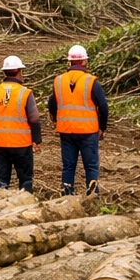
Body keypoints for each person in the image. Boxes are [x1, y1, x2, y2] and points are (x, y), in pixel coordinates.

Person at [49, 44, 107, 196]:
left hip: (66, 130)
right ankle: (93, 197)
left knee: (68, 166)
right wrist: (102, 127)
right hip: (88, 131)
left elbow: (51, 104)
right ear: (84, 62)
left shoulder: (59, 81)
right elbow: (103, 106)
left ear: (69, 62)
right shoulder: (91, 81)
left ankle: (67, 195)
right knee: (91, 166)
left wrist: (56, 121)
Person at [0, 55, 41, 192]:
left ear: (4, 72)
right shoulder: (25, 93)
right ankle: (26, 207)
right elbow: (34, 119)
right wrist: (36, 140)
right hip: (21, 144)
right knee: (25, 179)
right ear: (19, 72)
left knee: (2, 178)